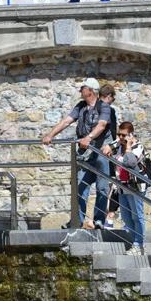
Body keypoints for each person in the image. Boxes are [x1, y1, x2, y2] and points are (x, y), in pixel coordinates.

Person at [42, 78, 111, 228]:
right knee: (80, 187)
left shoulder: (104, 107)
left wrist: (89, 137)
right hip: (84, 154)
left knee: (102, 188)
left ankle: (99, 220)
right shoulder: (80, 106)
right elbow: (66, 121)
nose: (80, 90)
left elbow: (102, 125)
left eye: (82, 88)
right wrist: (50, 135)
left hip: (99, 153)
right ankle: (77, 221)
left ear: (91, 91)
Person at [102, 121, 148, 255]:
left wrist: (128, 147)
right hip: (122, 186)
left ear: (131, 135)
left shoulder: (138, 147)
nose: (120, 137)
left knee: (137, 216)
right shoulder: (119, 144)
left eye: (123, 135)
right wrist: (108, 148)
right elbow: (107, 148)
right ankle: (134, 243)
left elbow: (131, 163)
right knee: (127, 217)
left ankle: (139, 245)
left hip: (136, 187)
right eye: (119, 134)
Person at [99, 84, 119, 229]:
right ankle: (105, 218)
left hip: (99, 152)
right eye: (112, 98)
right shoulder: (109, 110)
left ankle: (105, 218)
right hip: (106, 152)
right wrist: (113, 147)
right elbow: (112, 132)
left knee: (107, 186)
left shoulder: (92, 108)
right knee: (108, 186)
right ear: (109, 96)